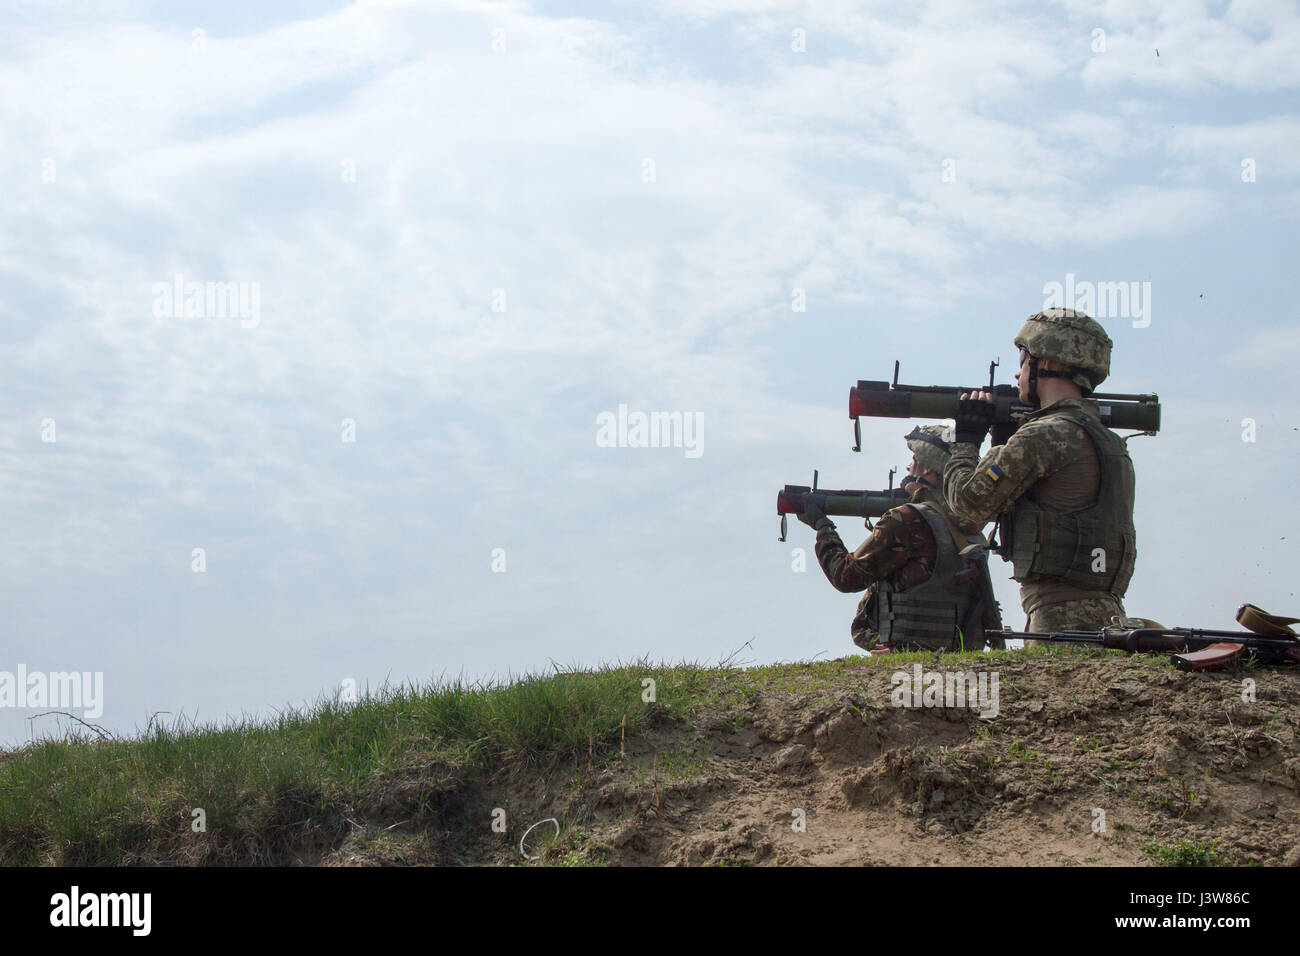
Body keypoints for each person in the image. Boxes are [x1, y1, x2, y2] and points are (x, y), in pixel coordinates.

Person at [943, 308, 1136, 637]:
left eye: (1023, 358)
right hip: (1106, 617)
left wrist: (966, 440)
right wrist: (1005, 443)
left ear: (1051, 363)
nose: (1017, 373)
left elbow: (968, 506)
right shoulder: (1108, 441)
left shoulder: (1046, 434)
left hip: (1058, 621)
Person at [799, 425, 995, 652]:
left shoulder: (907, 519)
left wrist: (823, 528)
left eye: (914, 458)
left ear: (928, 468)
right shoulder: (970, 527)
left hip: (911, 660)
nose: (908, 466)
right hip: (959, 658)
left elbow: (846, 576)